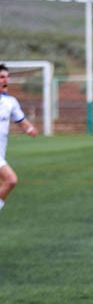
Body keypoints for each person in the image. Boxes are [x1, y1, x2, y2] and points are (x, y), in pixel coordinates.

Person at [0, 64, 38, 212]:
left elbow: (21, 120)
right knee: (10, 179)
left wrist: (29, 128)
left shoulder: (10, 102)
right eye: (2, 77)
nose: (6, 80)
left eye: (7, 77)